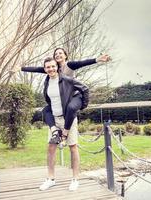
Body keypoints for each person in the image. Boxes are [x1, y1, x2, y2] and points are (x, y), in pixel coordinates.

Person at [22, 48, 111, 144]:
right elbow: (36, 69)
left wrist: (97, 59)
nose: (58, 55)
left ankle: (65, 133)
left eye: (60, 53)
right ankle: (55, 132)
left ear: (65, 56)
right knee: (46, 109)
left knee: (71, 107)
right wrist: (21, 68)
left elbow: (82, 63)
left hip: (74, 96)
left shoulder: (69, 65)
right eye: (56, 54)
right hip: (63, 99)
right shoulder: (53, 68)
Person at [39, 57, 89, 191]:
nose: (51, 69)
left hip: (68, 118)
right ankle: (51, 179)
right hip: (55, 119)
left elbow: (85, 89)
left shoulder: (66, 80)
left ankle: (75, 179)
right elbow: (49, 101)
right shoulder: (46, 82)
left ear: (57, 67)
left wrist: (82, 106)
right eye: (48, 67)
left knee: (73, 148)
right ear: (45, 69)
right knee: (50, 148)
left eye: (53, 66)